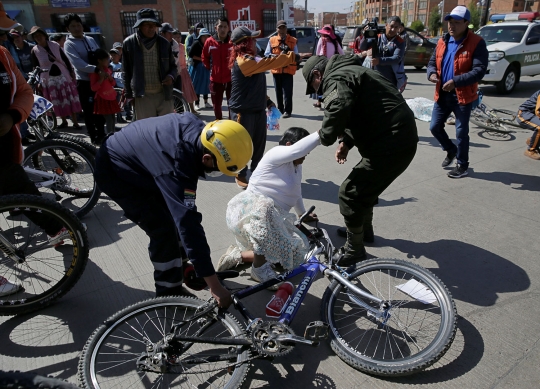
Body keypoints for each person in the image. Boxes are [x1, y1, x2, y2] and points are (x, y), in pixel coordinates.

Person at [93, 114, 253, 305]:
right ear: (207, 157)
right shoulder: (177, 165)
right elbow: (188, 224)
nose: (215, 173)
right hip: (115, 171)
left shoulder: (201, 132)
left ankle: (182, 267)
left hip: (143, 161)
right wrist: (214, 286)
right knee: (163, 229)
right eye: (217, 168)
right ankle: (168, 292)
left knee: (174, 215)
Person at [302, 55, 418, 265]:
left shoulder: (335, 78)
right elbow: (363, 109)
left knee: (349, 193)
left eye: (315, 87)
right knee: (365, 186)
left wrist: (324, 136)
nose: (318, 92)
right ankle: (363, 231)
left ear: (317, 75)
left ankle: (354, 250)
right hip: (398, 138)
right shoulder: (352, 72)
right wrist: (346, 143)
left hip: (392, 142)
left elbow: (339, 105)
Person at [0, 19, 68, 295]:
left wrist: (14, 114)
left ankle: (57, 229)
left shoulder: (2, 55)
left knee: (22, 190)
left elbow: (25, 92)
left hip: (5, 147)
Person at [218, 128, 320, 286]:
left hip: (274, 218)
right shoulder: (276, 153)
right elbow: (298, 149)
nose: (306, 155)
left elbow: (295, 191)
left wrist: (302, 214)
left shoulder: (296, 166)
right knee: (266, 206)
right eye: (304, 152)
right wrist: (322, 133)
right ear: (288, 145)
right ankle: (259, 269)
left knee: (295, 253)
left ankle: (239, 255)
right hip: (253, 213)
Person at [228, 26, 299, 189]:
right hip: (243, 111)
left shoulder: (253, 59)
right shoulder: (243, 60)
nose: (255, 42)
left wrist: (267, 101)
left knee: (259, 145)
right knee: (243, 146)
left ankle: (257, 172)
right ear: (243, 43)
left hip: (257, 109)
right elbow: (271, 62)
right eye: (251, 39)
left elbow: (256, 85)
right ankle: (240, 173)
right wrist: (290, 56)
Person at [427, 5, 488, 178]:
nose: (451, 26)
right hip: (442, 93)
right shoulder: (442, 41)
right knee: (434, 127)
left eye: (456, 22)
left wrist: (456, 82)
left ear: (466, 23)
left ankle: (462, 165)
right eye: (450, 22)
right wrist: (431, 74)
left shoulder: (476, 42)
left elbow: (479, 71)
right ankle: (450, 150)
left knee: (461, 132)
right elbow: (432, 63)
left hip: (462, 95)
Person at [122, 8, 177, 120]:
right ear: (140, 26)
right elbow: (126, 72)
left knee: (167, 128)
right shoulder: (129, 43)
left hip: (163, 94)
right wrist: (129, 95)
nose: (152, 28)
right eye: (147, 24)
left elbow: (173, 67)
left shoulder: (164, 43)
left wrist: (171, 76)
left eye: (153, 24)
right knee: (147, 131)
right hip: (142, 96)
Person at [63, 13, 107, 145]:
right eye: (73, 26)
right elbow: (78, 64)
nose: (77, 28)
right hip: (85, 83)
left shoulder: (90, 39)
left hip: (98, 80)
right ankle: (93, 136)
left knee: (100, 108)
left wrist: (105, 68)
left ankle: (102, 133)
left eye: (78, 25)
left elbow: (100, 55)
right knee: (89, 111)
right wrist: (95, 69)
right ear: (68, 29)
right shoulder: (69, 44)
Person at [29, 26, 82, 130]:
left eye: (39, 35)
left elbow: (65, 59)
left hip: (63, 77)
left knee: (69, 99)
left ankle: (75, 122)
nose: (38, 38)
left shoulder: (55, 45)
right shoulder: (35, 50)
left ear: (44, 35)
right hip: (49, 80)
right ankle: (64, 121)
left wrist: (71, 72)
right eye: (35, 37)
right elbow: (36, 67)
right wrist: (39, 80)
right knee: (56, 100)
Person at [359, 16, 406, 91]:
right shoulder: (378, 36)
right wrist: (365, 35)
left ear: (399, 28)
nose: (393, 29)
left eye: (396, 27)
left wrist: (379, 60)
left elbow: (396, 58)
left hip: (390, 79)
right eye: (391, 26)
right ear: (386, 25)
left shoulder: (400, 42)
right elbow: (362, 47)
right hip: (374, 76)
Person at [264, 20, 299, 119]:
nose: (282, 30)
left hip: (288, 70)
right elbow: (266, 54)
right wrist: (277, 56)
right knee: (278, 91)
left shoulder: (292, 40)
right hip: (277, 70)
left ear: (286, 29)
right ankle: (280, 109)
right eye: (280, 28)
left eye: (283, 28)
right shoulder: (272, 40)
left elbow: (296, 55)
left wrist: (288, 52)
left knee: (287, 92)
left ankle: (288, 111)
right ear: (277, 29)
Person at [202, 17, 232, 120]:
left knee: (232, 105)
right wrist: (211, 69)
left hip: (230, 80)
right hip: (215, 80)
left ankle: (231, 126)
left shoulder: (232, 42)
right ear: (216, 28)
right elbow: (204, 56)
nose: (222, 29)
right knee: (217, 106)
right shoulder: (209, 42)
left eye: (225, 27)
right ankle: (219, 125)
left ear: (228, 28)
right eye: (220, 27)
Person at [90, 49, 120, 135]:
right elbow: (93, 88)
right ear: (99, 60)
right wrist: (101, 78)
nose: (108, 61)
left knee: (113, 117)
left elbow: (113, 83)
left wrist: (110, 78)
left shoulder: (107, 70)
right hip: (103, 98)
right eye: (106, 59)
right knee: (108, 119)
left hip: (111, 96)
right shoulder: (94, 73)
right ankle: (110, 136)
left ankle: (113, 134)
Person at [175, 30, 198, 114]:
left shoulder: (182, 46)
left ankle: (192, 109)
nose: (178, 38)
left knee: (189, 91)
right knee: (178, 92)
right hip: (177, 71)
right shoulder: (171, 46)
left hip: (184, 70)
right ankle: (178, 111)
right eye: (176, 37)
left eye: (179, 37)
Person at [188, 28, 212, 110]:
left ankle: (206, 102)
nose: (205, 38)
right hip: (197, 67)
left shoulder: (209, 44)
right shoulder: (196, 44)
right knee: (196, 85)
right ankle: (197, 103)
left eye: (207, 36)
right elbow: (190, 54)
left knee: (206, 84)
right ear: (200, 37)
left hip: (206, 67)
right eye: (203, 37)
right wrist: (202, 59)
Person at [516, 90, 540, 160]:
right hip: (524, 114)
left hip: (534, 115)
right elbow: (538, 111)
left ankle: (533, 140)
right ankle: (530, 150)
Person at [109, 48, 130, 123]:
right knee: (118, 103)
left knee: (124, 102)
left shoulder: (121, 65)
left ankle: (127, 114)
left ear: (119, 56)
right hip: (115, 87)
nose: (112, 57)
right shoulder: (110, 66)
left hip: (123, 87)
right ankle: (119, 117)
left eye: (114, 55)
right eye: (111, 55)